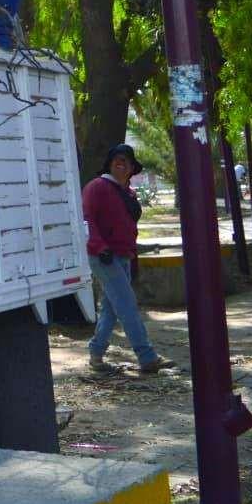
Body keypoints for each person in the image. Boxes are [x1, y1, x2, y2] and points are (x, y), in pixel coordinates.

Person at [83, 143, 175, 373]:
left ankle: (96, 354)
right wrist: (99, 247)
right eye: (117, 159)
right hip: (103, 256)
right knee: (127, 305)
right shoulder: (96, 187)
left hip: (123, 256)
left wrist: (132, 257)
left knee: (111, 309)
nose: (121, 163)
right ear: (109, 164)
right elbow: (86, 219)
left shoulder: (128, 192)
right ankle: (147, 357)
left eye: (126, 161)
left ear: (132, 168)